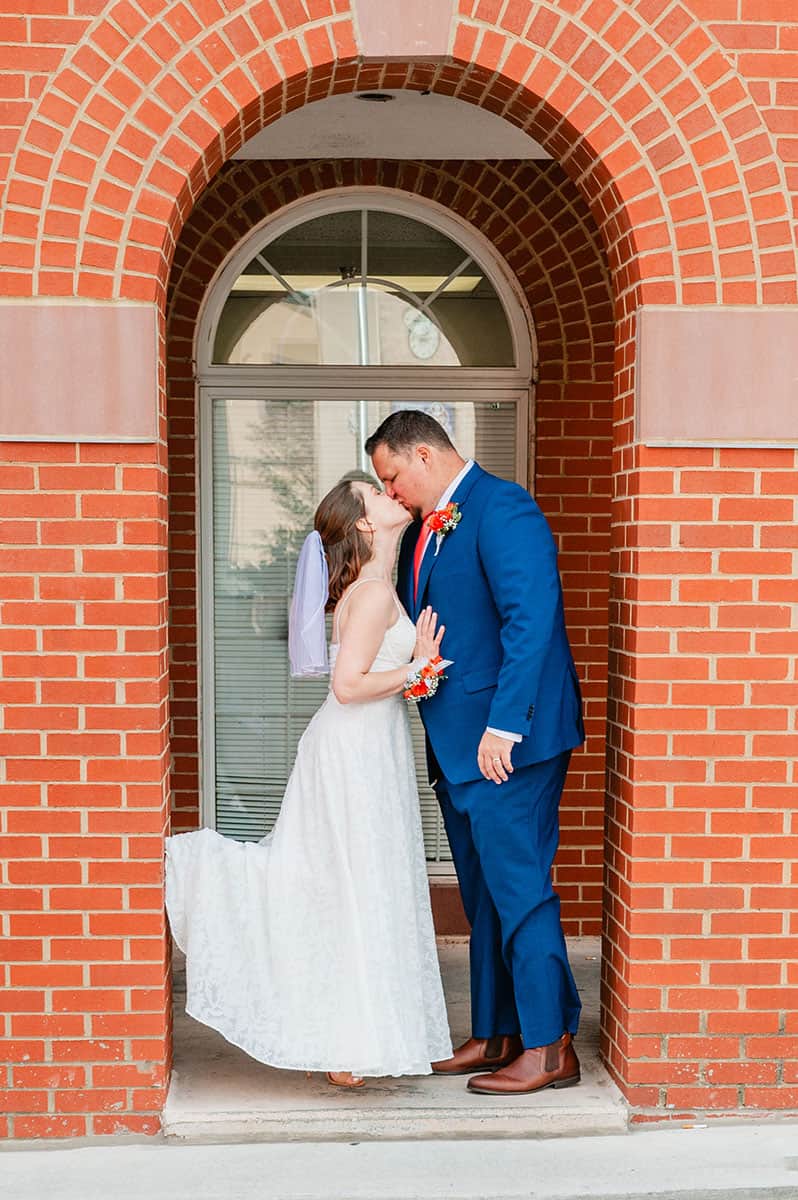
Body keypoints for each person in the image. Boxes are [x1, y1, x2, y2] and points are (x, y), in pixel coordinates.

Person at [165, 476, 453, 1088]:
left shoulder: (373, 588)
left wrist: (411, 671)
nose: (389, 494)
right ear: (366, 525)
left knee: (347, 883)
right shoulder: (372, 595)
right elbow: (347, 686)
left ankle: (346, 1044)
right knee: (345, 881)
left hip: (364, 746)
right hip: (353, 748)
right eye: (375, 493)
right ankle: (344, 1042)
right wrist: (417, 667)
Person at [366, 409, 584, 1096]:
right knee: (484, 895)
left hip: (505, 746)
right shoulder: (425, 532)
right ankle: (497, 1033)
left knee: (520, 892)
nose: (392, 493)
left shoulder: (503, 508)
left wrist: (505, 728)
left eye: (393, 477)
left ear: (424, 455)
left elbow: (532, 621)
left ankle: (550, 1048)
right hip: (456, 747)